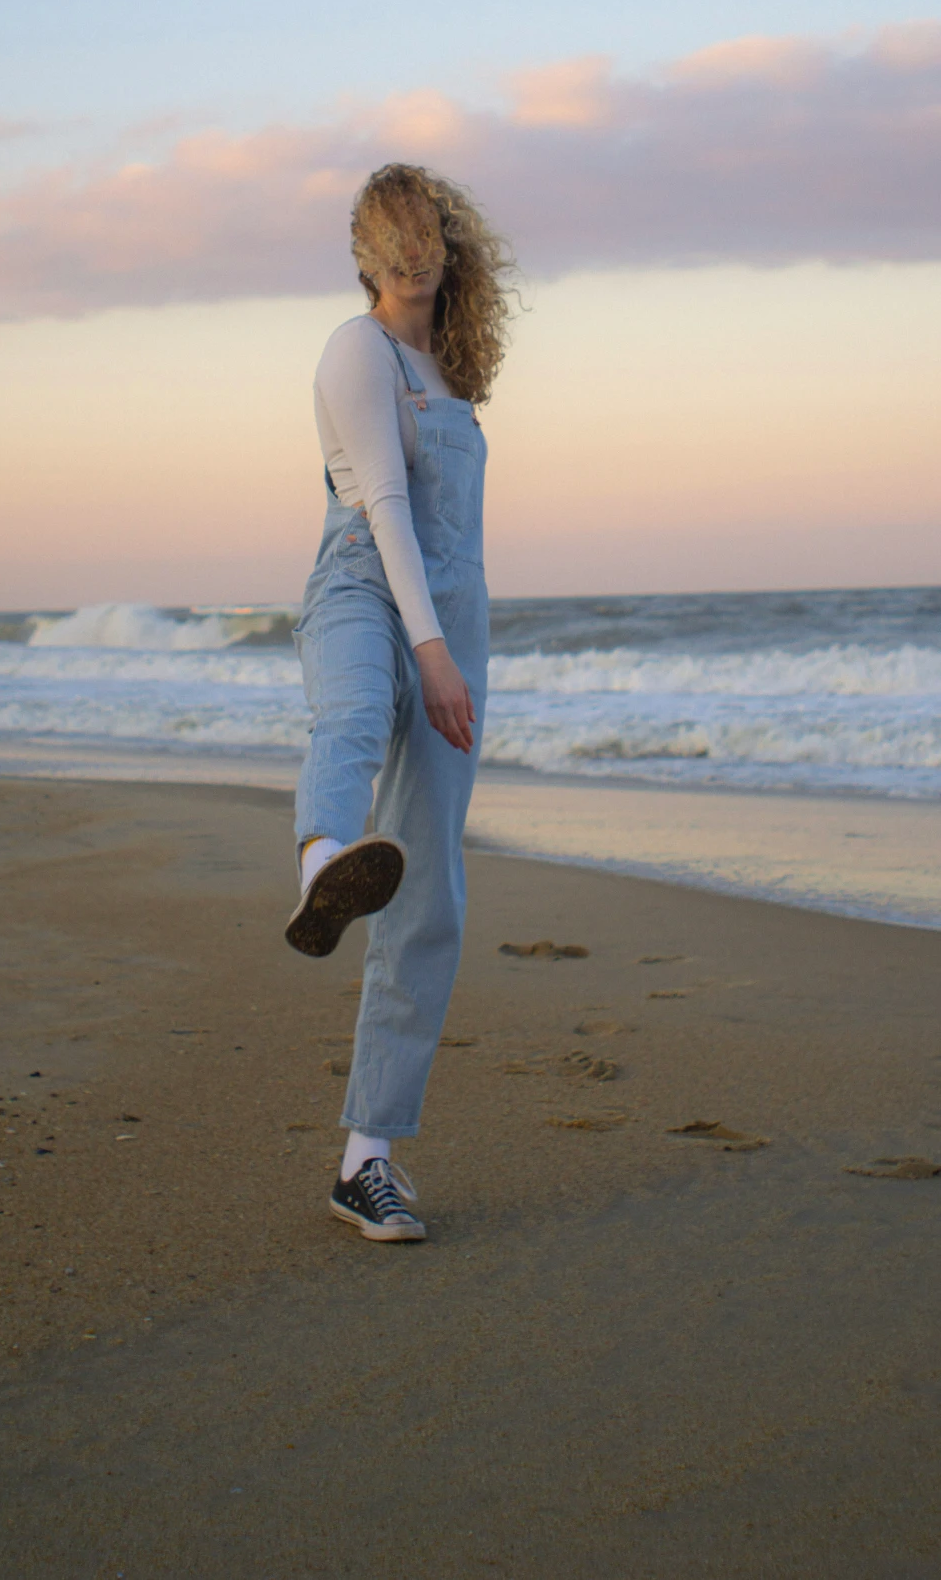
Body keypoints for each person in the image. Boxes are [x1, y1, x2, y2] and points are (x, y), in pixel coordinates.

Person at [286, 162, 515, 1242]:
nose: (413, 257)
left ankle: (364, 1160)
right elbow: (380, 501)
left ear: (447, 239)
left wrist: (455, 647)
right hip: (365, 588)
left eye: (427, 233)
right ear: (369, 252)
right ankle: (321, 863)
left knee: (430, 895)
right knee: (348, 721)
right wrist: (427, 652)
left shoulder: (453, 368)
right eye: (393, 240)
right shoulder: (355, 348)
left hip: (452, 621)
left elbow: (457, 539)